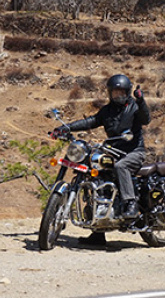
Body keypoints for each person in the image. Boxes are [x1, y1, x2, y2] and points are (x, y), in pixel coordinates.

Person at [53, 74, 150, 246]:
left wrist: (141, 101)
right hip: (112, 150)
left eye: (121, 92)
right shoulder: (107, 111)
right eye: (114, 92)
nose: (117, 95)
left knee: (121, 167)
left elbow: (145, 119)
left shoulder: (134, 107)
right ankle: (98, 232)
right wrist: (66, 127)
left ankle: (130, 204)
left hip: (133, 151)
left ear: (127, 92)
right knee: (94, 176)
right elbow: (91, 121)